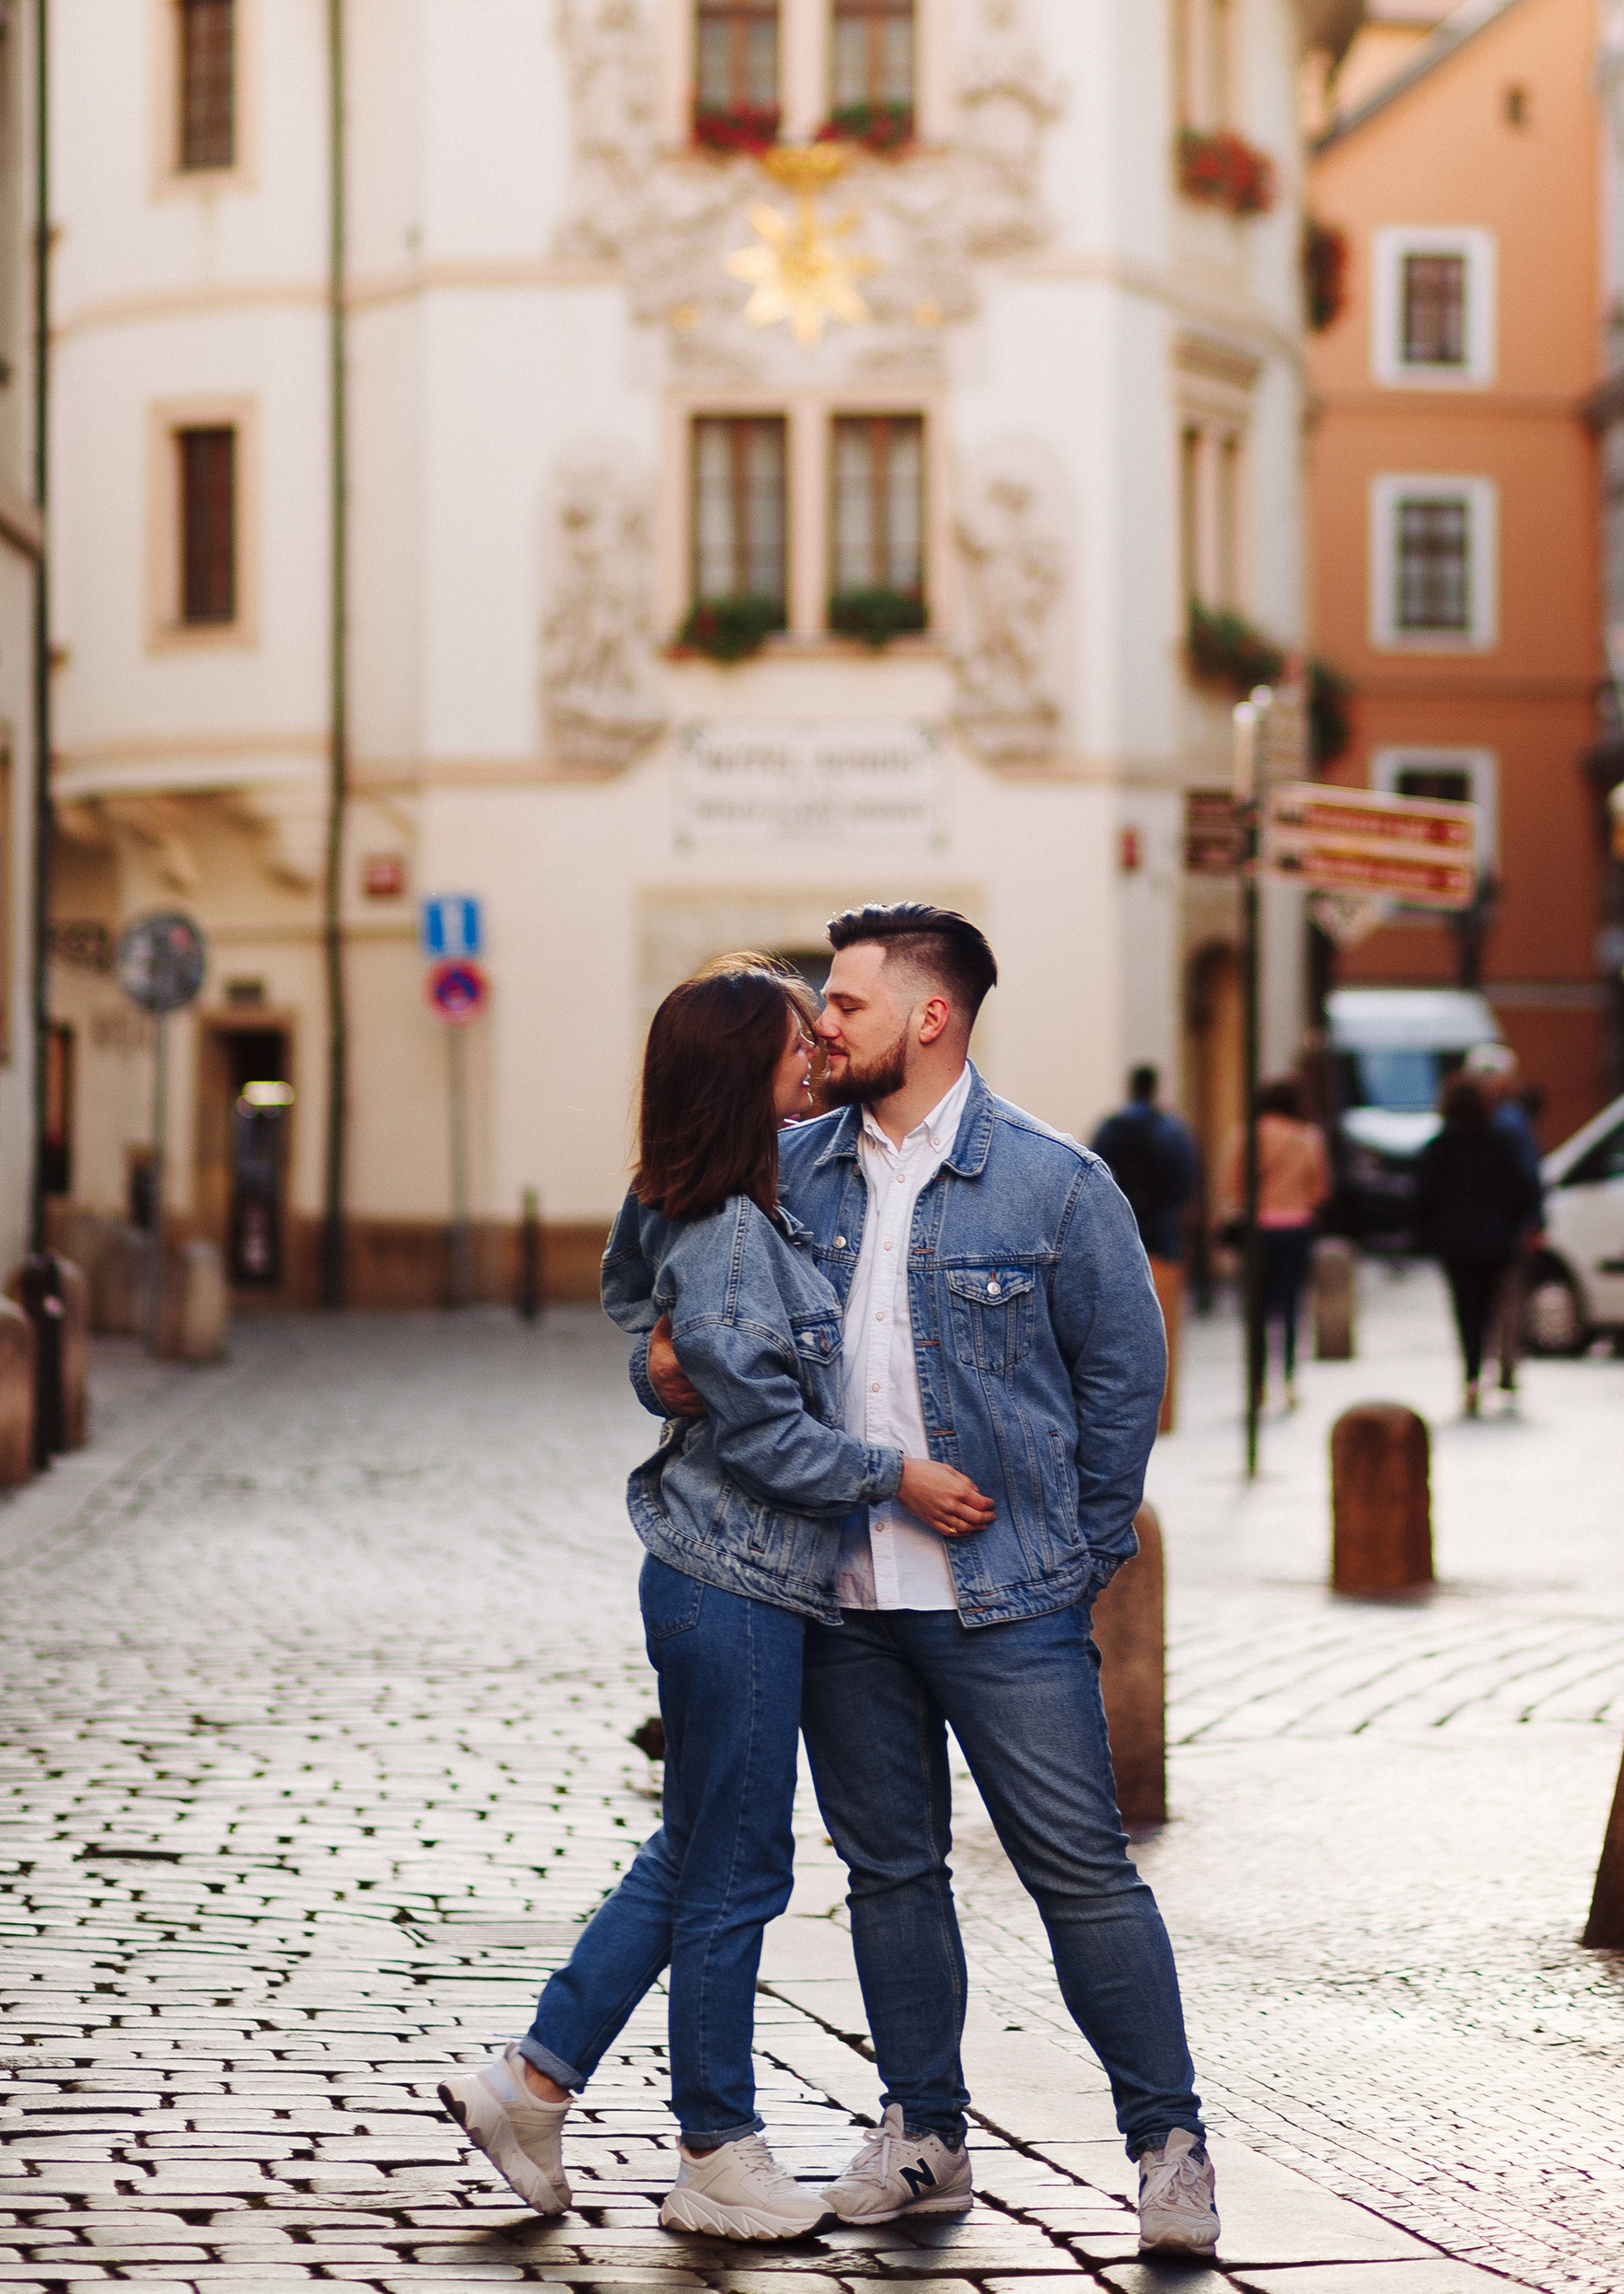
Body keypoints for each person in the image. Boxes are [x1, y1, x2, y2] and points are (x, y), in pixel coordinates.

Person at [645, 904, 1221, 2262]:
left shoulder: (1055, 1185)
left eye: (845, 1004)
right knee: (890, 1872)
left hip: (1005, 1602)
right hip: (836, 1599)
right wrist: (656, 1366)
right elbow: (673, 1318)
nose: (820, 1026)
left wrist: (1074, 1560)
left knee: (1082, 1873)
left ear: (930, 1017)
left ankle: (1169, 2148)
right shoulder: (782, 1173)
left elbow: (1123, 1381)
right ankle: (925, 2137)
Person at [440, 958, 995, 2242]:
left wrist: (664, 1349)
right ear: (744, 1067)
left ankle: (531, 2085)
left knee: (694, 1852)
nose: (814, 1052)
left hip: (727, 1579)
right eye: (796, 1037)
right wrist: (898, 1476)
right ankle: (714, 2147)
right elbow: (769, 1443)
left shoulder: (730, 1202)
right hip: (734, 1578)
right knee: (737, 1872)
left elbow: (636, 1286)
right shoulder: (737, 1230)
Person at [1411, 1072, 1539, 1417]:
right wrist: (1514, 1223)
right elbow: (1523, 1188)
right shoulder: (1501, 1143)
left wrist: (1427, 1235)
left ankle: (1471, 1375)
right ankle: (1493, 1367)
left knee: (1465, 1309)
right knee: (1492, 1307)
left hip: (1455, 1243)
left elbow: (1423, 1197)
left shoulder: (1438, 1147)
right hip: (1495, 1241)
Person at [1092, 1066, 1201, 1431]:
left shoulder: (1109, 1129)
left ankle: (1126, 1419)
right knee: (1164, 1334)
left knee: (1113, 1340)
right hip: (1163, 1244)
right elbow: (1187, 1183)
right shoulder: (1173, 1131)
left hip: (1116, 1245)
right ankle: (1163, 1417)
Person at [1461, 1039, 1545, 1397]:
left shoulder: (1481, 1121)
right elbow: (1529, 1177)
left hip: (1484, 1229)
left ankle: (1485, 1369)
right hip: (1502, 1228)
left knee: (1483, 1303)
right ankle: (1502, 1366)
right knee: (1506, 1299)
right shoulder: (1510, 1122)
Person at [1253, 1076, 1330, 1406]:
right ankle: (1287, 1380)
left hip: (1258, 1229)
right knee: (1291, 1306)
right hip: (1296, 1226)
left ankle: (1257, 1384)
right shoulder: (1308, 1137)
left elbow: (1231, 1184)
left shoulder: (1247, 1134)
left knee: (1256, 1309)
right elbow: (1320, 1189)